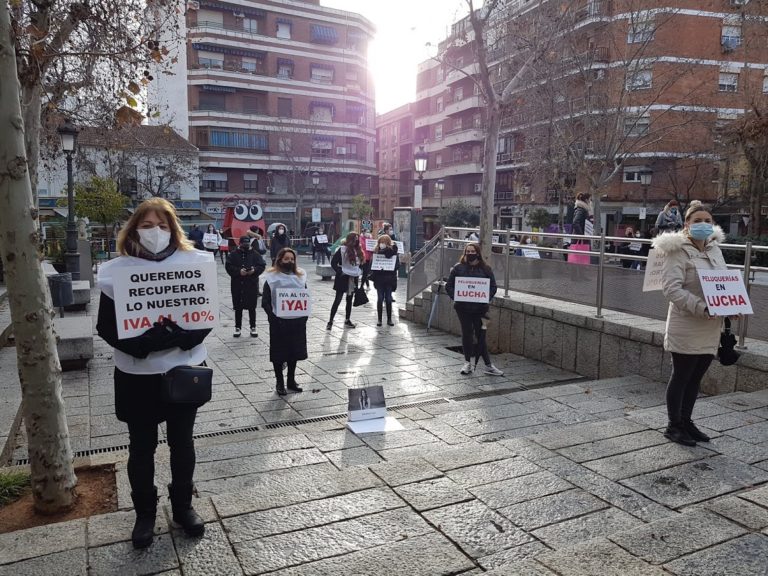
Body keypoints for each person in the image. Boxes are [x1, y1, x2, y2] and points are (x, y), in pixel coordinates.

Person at [96, 198, 211, 549]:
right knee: (141, 448)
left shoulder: (195, 263)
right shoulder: (115, 271)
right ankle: (144, 514)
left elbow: (204, 315)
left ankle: (183, 507)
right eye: (147, 225)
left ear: (174, 230)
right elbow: (106, 326)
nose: (155, 232)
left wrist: (181, 337)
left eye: (162, 225)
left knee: (183, 442)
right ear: (133, 230)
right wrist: (144, 344)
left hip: (183, 371)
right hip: (137, 375)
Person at [652, 200, 727, 447]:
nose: (704, 225)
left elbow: (724, 283)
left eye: (708, 221)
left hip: (710, 324)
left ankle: (687, 422)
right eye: (697, 221)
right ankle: (674, 426)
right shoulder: (677, 250)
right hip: (686, 322)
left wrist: (730, 307)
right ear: (686, 225)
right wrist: (701, 306)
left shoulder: (715, 249)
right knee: (682, 376)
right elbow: (671, 288)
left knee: (696, 378)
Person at [445, 243, 504, 376]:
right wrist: (458, 295)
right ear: (465, 253)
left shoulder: (486, 269)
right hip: (462, 308)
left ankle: (488, 365)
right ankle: (467, 363)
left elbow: (493, 287)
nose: (470, 254)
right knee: (467, 334)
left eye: (472, 251)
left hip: (480, 308)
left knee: (480, 335)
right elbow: (449, 286)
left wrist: (485, 297)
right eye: (467, 251)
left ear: (477, 253)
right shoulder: (458, 268)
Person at [262, 248, 308, 395]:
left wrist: (304, 316)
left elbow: (304, 298)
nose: (290, 261)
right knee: (279, 353)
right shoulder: (272, 277)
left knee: (294, 353)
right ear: (280, 259)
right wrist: (273, 319)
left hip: (296, 322)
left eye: (292, 259)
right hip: (278, 322)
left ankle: (291, 381)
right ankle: (279, 382)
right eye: (287, 259)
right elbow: (265, 302)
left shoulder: (300, 276)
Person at [225, 235, 266, 338]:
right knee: (238, 307)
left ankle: (253, 327)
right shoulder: (233, 254)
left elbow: (261, 265)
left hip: (251, 284)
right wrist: (238, 271)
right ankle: (237, 327)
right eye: (244, 244)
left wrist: (254, 271)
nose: (246, 245)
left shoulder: (255, 254)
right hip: (237, 284)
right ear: (240, 244)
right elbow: (228, 266)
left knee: (252, 307)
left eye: (247, 244)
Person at [327, 232, 364, 330]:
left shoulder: (358, 250)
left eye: (357, 239)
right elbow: (334, 262)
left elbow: (361, 264)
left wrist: (361, 271)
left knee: (349, 300)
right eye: (354, 239)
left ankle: (347, 319)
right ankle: (330, 321)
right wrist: (340, 272)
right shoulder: (342, 250)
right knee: (337, 300)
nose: (356, 241)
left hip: (353, 278)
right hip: (342, 278)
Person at [369, 234, 400, 327]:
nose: (382, 244)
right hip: (379, 279)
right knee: (380, 298)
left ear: (388, 243)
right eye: (380, 242)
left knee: (389, 299)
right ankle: (379, 319)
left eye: (384, 242)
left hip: (389, 279)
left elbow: (397, 265)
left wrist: (389, 268)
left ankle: (389, 319)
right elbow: (372, 265)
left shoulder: (394, 253)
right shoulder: (376, 252)